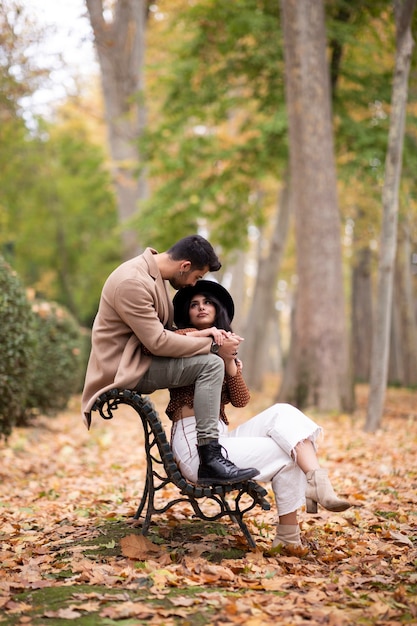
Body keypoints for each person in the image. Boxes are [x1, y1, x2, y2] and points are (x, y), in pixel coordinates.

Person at [168, 280, 352, 548]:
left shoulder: (225, 348)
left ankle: (317, 480)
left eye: (207, 302)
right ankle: (290, 538)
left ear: (217, 309)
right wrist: (209, 339)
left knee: (283, 414)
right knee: (288, 452)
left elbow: (241, 400)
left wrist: (229, 359)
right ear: (187, 312)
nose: (201, 308)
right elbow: (165, 341)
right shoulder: (181, 342)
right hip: (195, 448)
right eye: (194, 304)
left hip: (218, 439)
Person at [81, 235, 258, 486]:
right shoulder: (132, 281)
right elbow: (158, 342)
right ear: (185, 266)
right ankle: (209, 458)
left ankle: (211, 454)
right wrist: (213, 346)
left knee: (213, 361)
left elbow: (166, 336)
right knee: (211, 363)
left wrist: (207, 337)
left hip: (142, 358)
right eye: (197, 277)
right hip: (125, 367)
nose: (193, 284)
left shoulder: (153, 275)